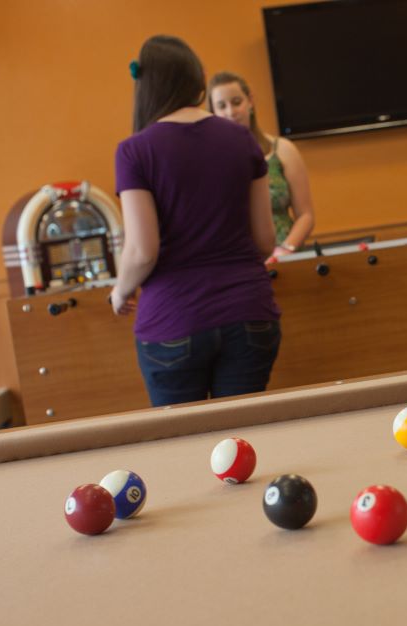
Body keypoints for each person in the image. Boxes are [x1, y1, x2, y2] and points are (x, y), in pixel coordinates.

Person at [112, 35, 282, 407]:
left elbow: (142, 251)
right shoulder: (242, 139)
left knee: (182, 451)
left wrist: (121, 291)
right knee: (240, 450)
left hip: (173, 321)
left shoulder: (134, 151)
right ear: (198, 80)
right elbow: (265, 241)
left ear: (145, 86)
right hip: (249, 313)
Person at [208, 71, 316, 261]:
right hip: (236, 262)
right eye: (221, 106)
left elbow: (305, 215)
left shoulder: (282, 149)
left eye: (236, 102)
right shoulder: (209, 159)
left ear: (250, 101)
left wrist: (285, 250)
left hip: (285, 259)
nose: (230, 112)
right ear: (213, 112)